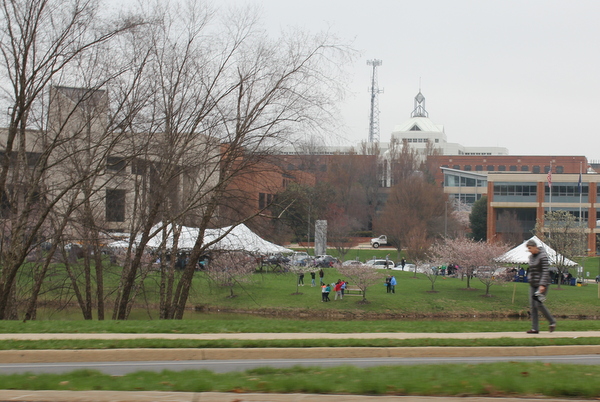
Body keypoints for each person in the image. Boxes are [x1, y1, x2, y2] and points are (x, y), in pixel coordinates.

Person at [525, 239, 556, 334]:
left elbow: (545, 271)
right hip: (533, 284)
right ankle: (535, 328)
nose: (529, 250)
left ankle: (552, 322)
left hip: (542, 284)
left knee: (538, 304)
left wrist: (542, 285)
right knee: (532, 306)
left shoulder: (543, 256)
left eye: (530, 248)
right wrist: (529, 278)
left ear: (535, 247)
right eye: (528, 249)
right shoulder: (531, 257)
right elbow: (531, 270)